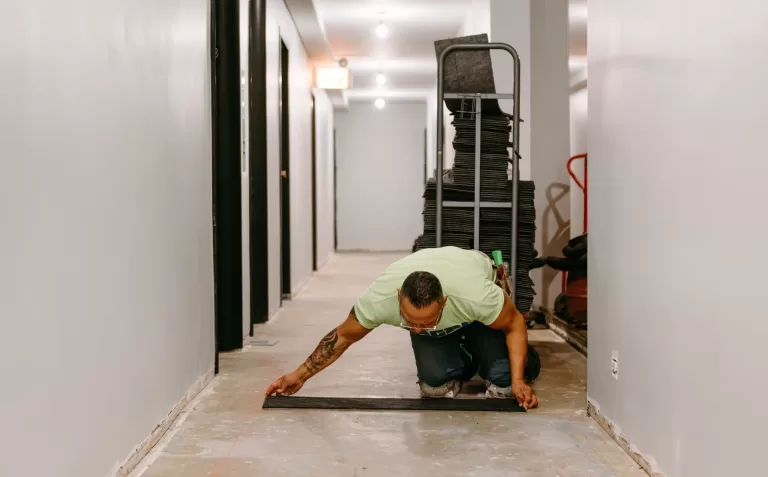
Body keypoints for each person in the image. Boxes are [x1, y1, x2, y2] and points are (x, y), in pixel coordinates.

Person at [265, 246, 541, 409]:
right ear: (399, 298)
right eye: (411, 322)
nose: (418, 329)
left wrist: (518, 380)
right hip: (448, 324)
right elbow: (342, 337)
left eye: (427, 321)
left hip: (477, 315)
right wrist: (298, 375)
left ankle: (501, 358)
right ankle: (465, 361)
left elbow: (515, 323)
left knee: (504, 385)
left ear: (443, 302)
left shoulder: (475, 295)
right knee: (434, 388)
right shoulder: (379, 299)